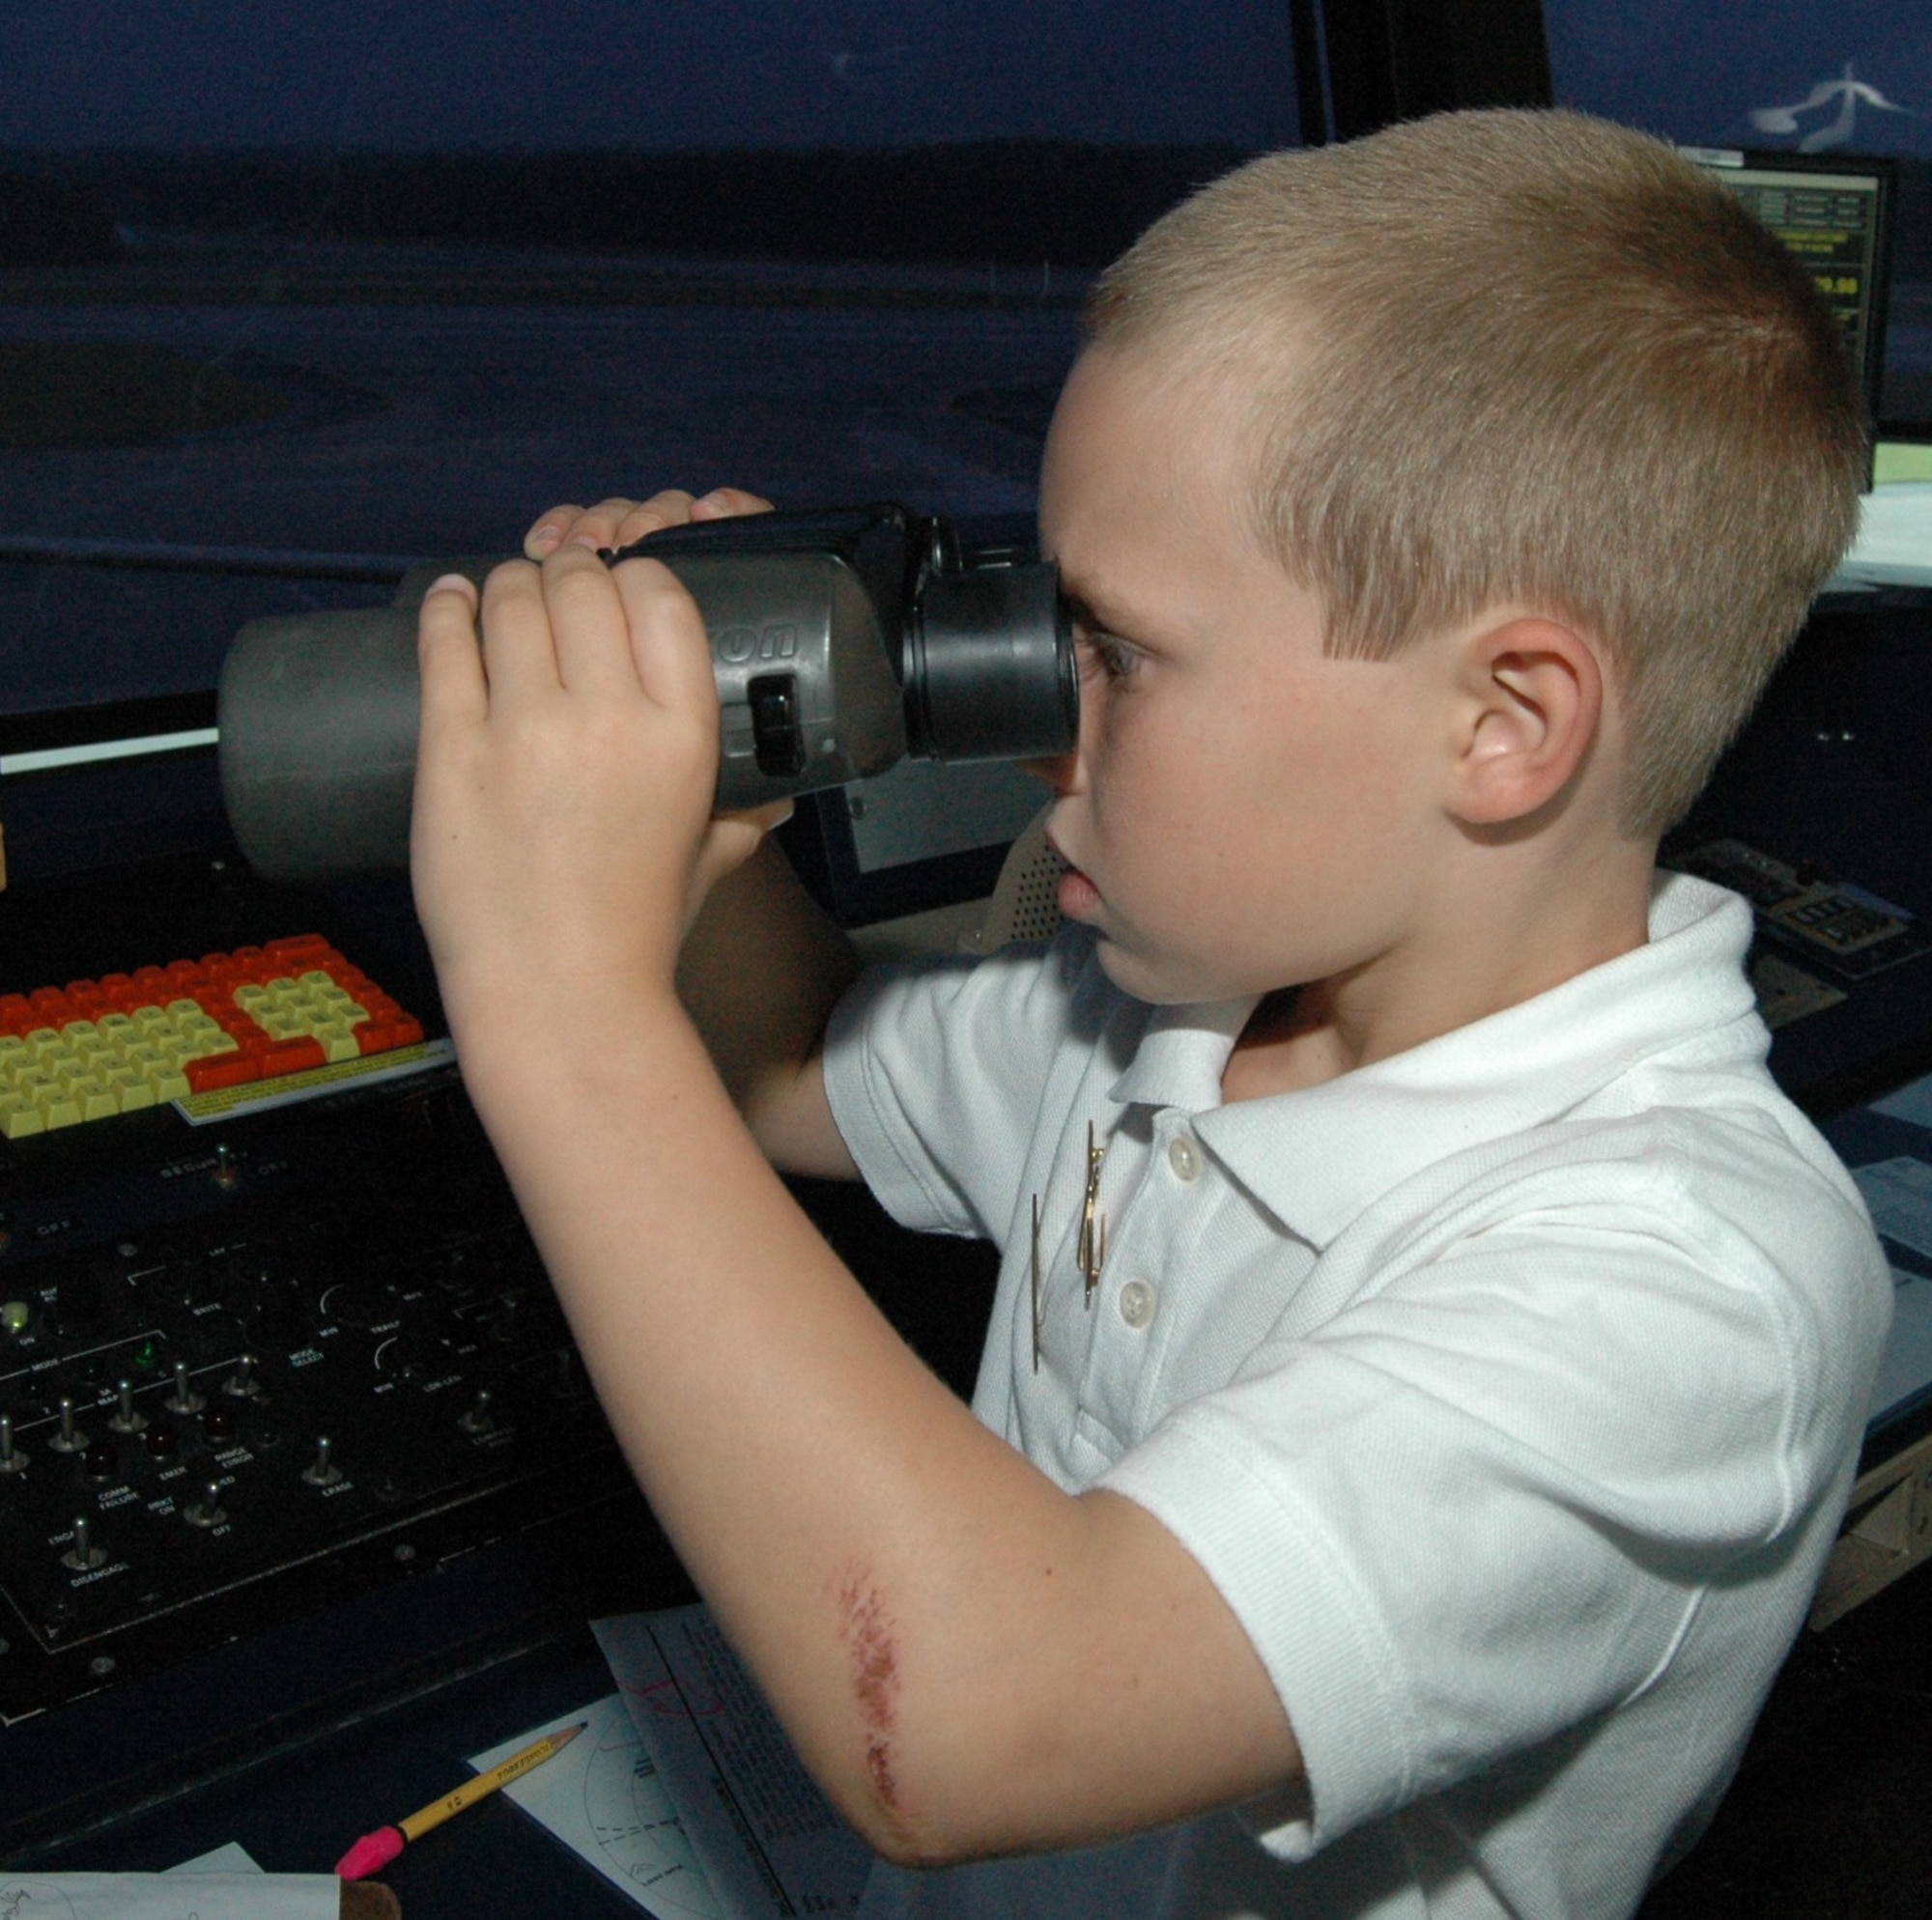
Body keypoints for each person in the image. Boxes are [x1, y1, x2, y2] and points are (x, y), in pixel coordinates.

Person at [406, 109, 1892, 1918]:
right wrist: (708, 842)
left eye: (1117, 649)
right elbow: (794, 1071)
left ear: (1505, 723)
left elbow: (972, 1717)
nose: (1046, 705)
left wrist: (553, 992)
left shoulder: (1677, 1287)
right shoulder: (1177, 1014)